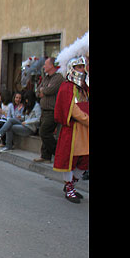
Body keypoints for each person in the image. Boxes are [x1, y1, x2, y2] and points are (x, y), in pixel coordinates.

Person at [53, 56, 89, 203]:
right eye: (79, 67)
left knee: (85, 159)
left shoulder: (84, 88)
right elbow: (72, 109)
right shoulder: (67, 87)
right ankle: (69, 187)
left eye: (83, 66)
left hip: (85, 131)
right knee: (70, 159)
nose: (82, 69)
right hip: (73, 129)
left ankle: (72, 184)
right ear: (72, 69)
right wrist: (87, 119)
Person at [34, 56, 63, 163]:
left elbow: (50, 90)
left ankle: (58, 154)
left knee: (44, 132)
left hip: (52, 110)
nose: (44, 66)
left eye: (46, 64)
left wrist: (43, 91)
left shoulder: (58, 78)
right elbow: (38, 91)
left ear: (51, 65)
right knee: (45, 133)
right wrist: (42, 91)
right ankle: (45, 156)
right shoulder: (46, 78)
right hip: (44, 110)